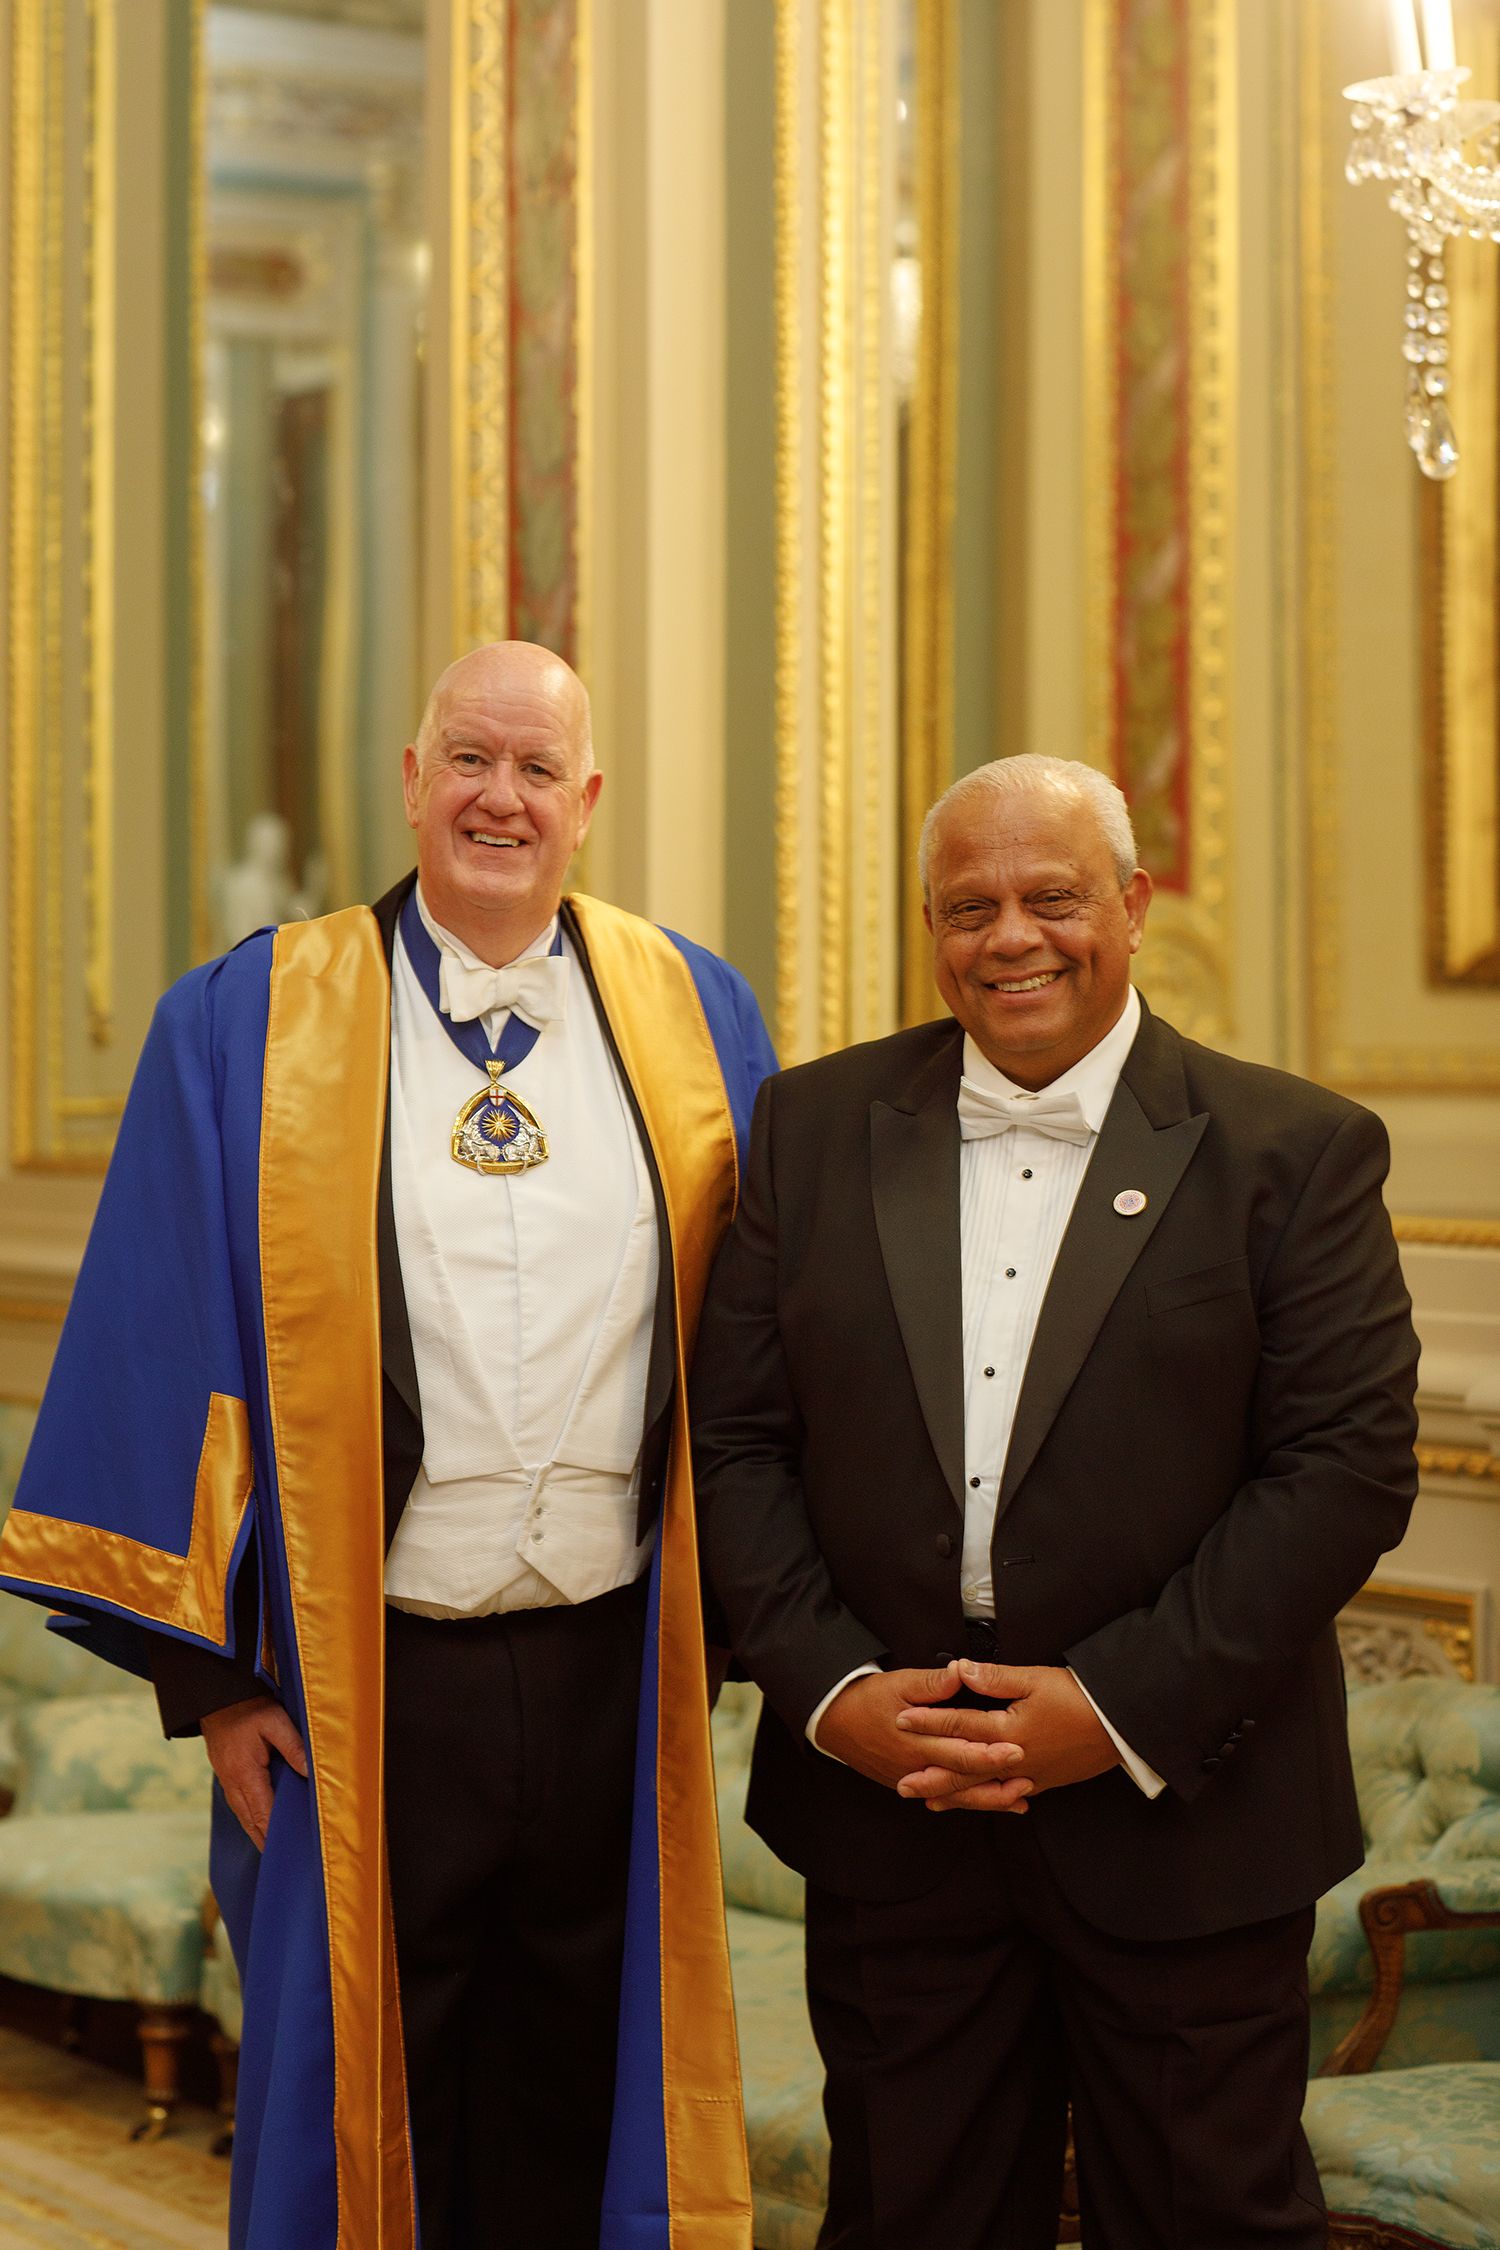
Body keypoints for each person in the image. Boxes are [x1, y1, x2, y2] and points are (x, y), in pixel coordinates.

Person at [0, 642, 773, 2250]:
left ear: (587, 800)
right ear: (414, 781)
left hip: (614, 1670)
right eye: (469, 759)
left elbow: (768, 1331)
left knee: (575, 2089)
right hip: (367, 1680)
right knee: (370, 2107)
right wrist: (215, 1683)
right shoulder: (248, 1018)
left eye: (538, 768)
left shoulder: (696, 1012)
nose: (502, 796)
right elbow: (164, 1326)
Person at [691, 754, 1420, 2250]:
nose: (1011, 936)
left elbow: (1344, 1467)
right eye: (970, 907)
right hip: (895, 1819)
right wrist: (833, 1692)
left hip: (1188, 1818)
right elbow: (735, 1443)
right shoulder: (809, 1129)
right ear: (930, 930)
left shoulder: (1294, 1150)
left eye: (1053, 897)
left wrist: (1115, 1709)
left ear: (1133, 906)